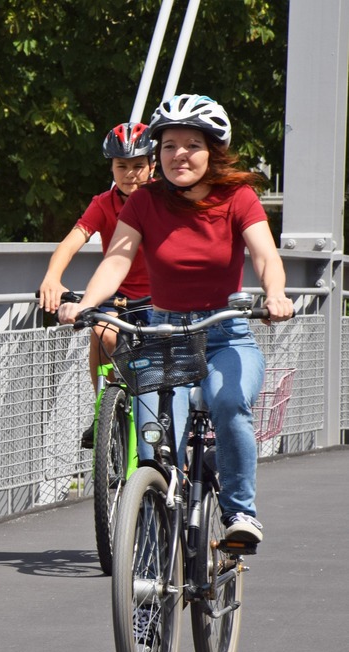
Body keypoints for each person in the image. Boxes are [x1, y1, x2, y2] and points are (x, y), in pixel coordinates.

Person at [58, 94, 294, 545]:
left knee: (228, 405)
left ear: (212, 151)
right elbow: (117, 259)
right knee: (153, 443)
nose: (178, 154)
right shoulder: (145, 201)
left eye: (191, 145)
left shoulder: (237, 197)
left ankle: (239, 514)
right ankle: (154, 545)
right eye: (168, 146)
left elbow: (266, 255)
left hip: (225, 333)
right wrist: (87, 303)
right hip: (164, 333)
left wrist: (276, 294)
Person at [38, 121, 155, 448]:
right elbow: (74, 239)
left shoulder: (163, 200)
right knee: (101, 332)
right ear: (111, 167)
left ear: (152, 166)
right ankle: (105, 407)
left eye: (137, 166)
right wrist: (52, 277)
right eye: (121, 166)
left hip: (159, 298)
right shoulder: (104, 203)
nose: (130, 173)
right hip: (117, 297)